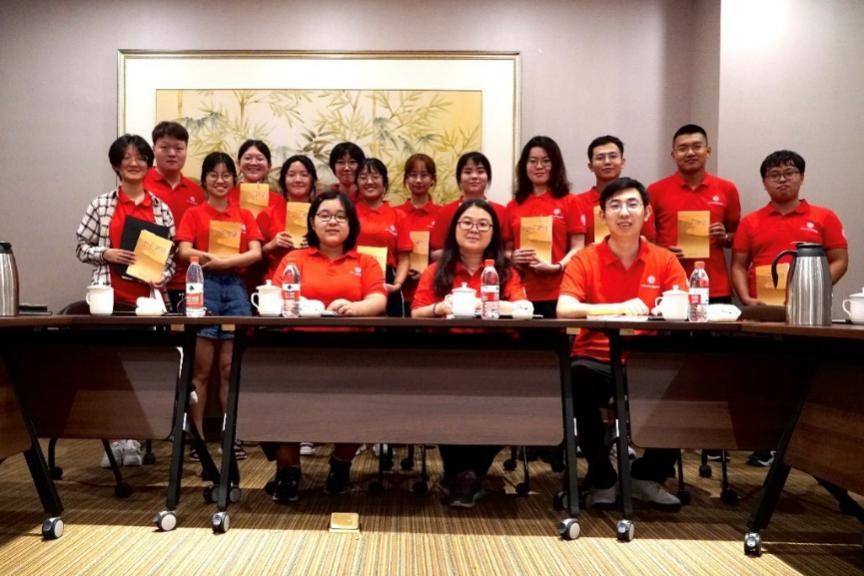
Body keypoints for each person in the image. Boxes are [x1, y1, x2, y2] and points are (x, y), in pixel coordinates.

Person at [557, 177, 686, 509]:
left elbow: (684, 306)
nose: (624, 212)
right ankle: (603, 477)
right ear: (603, 215)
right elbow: (565, 308)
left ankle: (647, 476)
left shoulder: (665, 260)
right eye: (614, 206)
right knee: (577, 377)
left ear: (647, 212)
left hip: (647, 359)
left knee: (683, 381)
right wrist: (619, 307)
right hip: (595, 359)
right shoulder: (585, 259)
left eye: (632, 204)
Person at [266, 191, 387, 501]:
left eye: (340, 216)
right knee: (281, 400)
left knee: (364, 402)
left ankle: (340, 464)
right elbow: (275, 298)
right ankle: (288, 470)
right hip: (298, 348)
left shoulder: (366, 261)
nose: (332, 222)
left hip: (352, 350)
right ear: (311, 222)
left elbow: (378, 299)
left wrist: (357, 308)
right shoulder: (294, 259)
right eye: (324, 215)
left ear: (352, 224)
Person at [731, 150, 848, 466]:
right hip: (763, 314)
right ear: (764, 182)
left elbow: (840, 260)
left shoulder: (824, 217)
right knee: (763, 376)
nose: (782, 180)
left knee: (803, 376)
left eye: (789, 173)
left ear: (801, 177)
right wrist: (746, 299)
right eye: (774, 175)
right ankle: (766, 442)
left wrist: (813, 288)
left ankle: (803, 444)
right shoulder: (751, 221)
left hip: (807, 315)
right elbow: (738, 264)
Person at [412, 199, 527, 507]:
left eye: (483, 224)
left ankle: (466, 474)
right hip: (446, 356)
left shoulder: (506, 272)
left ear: (493, 232)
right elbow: (416, 313)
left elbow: (522, 308)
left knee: (508, 397)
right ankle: (464, 475)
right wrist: (439, 307)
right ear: (455, 229)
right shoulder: (436, 270)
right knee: (447, 394)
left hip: (496, 357)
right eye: (467, 223)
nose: (474, 229)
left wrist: (490, 304)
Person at [76, 134, 176, 468]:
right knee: (111, 372)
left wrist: (162, 275)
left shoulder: (160, 208)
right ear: (116, 165)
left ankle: (133, 438)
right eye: (127, 157)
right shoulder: (101, 204)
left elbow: (171, 258)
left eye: (140, 157)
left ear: (148, 164)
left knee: (141, 372)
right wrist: (106, 253)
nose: (134, 163)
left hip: (146, 302)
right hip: (110, 300)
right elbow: (80, 247)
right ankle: (113, 438)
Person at [176, 152, 263, 462]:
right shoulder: (194, 213)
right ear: (204, 180)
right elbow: (184, 250)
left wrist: (225, 262)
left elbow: (255, 253)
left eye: (226, 175)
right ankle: (198, 439)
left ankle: (231, 436)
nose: (220, 180)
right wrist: (212, 260)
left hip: (236, 289)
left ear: (234, 180)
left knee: (229, 368)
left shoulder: (245, 215)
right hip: (203, 286)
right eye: (213, 174)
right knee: (200, 370)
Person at [647, 124, 740, 303]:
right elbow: (644, 240)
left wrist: (724, 236)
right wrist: (662, 252)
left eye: (697, 146)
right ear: (673, 155)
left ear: (708, 151)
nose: (690, 153)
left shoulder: (727, 189)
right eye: (683, 148)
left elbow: (737, 237)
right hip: (669, 285)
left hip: (714, 286)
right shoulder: (655, 191)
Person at [507, 136, 585, 319]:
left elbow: (579, 247)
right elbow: (506, 249)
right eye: (533, 161)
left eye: (545, 161)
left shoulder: (570, 201)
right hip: (521, 292)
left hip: (560, 290)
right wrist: (513, 257)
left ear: (555, 165)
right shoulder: (513, 205)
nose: (539, 166)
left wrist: (557, 266)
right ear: (524, 166)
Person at [143, 121, 206, 310]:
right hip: (148, 278)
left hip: (188, 278)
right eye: (164, 147)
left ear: (186, 150)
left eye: (178, 148)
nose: (172, 153)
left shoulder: (197, 192)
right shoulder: (141, 184)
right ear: (153, 149)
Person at [354, 158, 412, 316]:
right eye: (363, 177)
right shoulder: (348, 213)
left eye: (375, 177)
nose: (369, 182)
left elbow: (404, 258)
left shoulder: (399, 215)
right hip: (354, 276)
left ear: (384, 182)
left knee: (391, 328)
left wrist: (397, 284)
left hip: (388, 279)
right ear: (357, 183)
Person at [575, 135, 656, 244]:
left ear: (622, 162)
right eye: (600, 158)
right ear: (591, 166)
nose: (607, 162)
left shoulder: (637, 201)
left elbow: (650, 241)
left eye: (613, 156)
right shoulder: (577, 202)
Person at [429, 151, 512, 256]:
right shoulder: (445, 211)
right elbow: (434, 254)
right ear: (459, 178)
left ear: (488, 177)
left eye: (480, 171)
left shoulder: (501, 211)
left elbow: (507, 252)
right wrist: (465, 254)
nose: (474, 176)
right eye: (468, 172)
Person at [257, 154, 317, 282]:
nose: (298, 179)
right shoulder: (268, 214)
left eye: (304, 175)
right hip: (278, 278)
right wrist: (271, 245)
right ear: (283, 180)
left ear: (312, 180)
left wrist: (316, 244)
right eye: (291, 175)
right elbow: (254, 255)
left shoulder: (322, 212)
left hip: (314, 277)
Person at [395, 153, 440, 312]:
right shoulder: (395, 213)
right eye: (413, 175)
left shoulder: (442, 214)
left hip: (431, 292)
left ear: (433, 179)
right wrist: (402, 270)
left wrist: (427, 271)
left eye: (424, 175)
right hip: (399, 292)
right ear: (406, 179)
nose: (418, 180)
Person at [228, 139, 282, 209]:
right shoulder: (228, 196)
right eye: (248, 158)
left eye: (260, 159)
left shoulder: (278, 200)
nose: (253, 163)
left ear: (269, 165)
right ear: (239, 164)